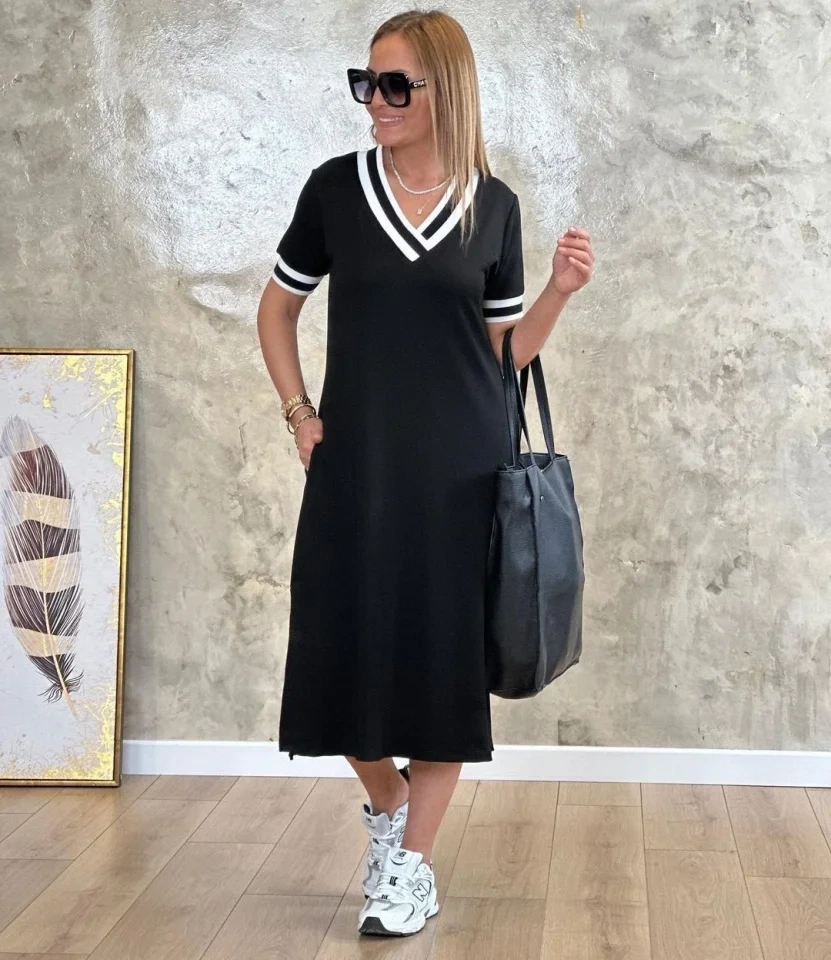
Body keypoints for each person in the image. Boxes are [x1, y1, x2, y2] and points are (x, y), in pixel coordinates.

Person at [256, 8, 594, 938]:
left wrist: (558, 294)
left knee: (443, 666)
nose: (377, 100)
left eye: (395, 84)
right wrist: (300, 414)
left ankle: (409, 867)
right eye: (366, 83)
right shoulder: (334, 190)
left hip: (462, 471)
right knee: (336, 650)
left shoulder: (493, 206)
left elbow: (503, 354)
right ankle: (390, 802)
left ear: (446, 89)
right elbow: (276, 310)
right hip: (356, 466)